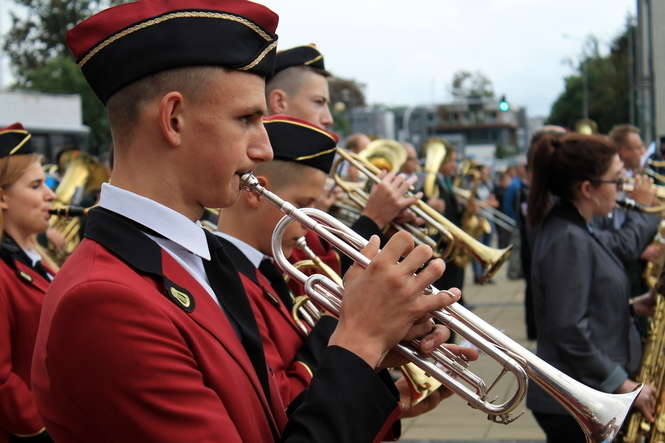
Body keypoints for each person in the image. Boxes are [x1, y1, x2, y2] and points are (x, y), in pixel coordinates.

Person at [31, 1, 459, 442]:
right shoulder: (103, 300)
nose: (265, 149)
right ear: (173, 119)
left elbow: (274, 426)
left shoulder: (203, 258)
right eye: (247, 119)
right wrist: (359, 341)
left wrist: (367, 362)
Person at [216, 114, 468, 418]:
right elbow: (284, 409)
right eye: (305, 204)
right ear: (257, 192)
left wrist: (386, 400)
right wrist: (356, 326)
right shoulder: (232, 281)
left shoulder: (277, 265)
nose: (310, 226)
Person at [526, 133, 657, 442]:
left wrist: (631, 307)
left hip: (582, 397)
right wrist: (621, 385)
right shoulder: (568, 238)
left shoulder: (573, 227)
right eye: (616, 180)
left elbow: (574, 305)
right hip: (578, 401)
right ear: (587, 189)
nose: (622, 187)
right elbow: (567, 329)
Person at [0, 123, 56, 443]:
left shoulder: (36, 260)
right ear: (3, 198)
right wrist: (43, 428)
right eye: (36, 185)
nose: (50, 194)